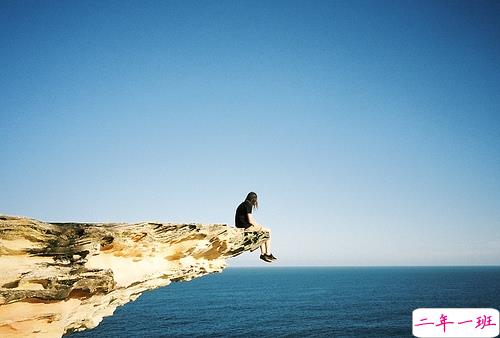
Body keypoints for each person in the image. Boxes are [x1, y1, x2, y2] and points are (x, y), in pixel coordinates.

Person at [235, 192, 277, 263]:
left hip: (240, 226)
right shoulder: (248, 205)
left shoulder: (242, 204)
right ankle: (268, 253)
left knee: (262, 233)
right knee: (268, 231)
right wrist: (258, 226)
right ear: (253, 199)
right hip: (245, 227)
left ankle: (263, 254)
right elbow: (250, 220)